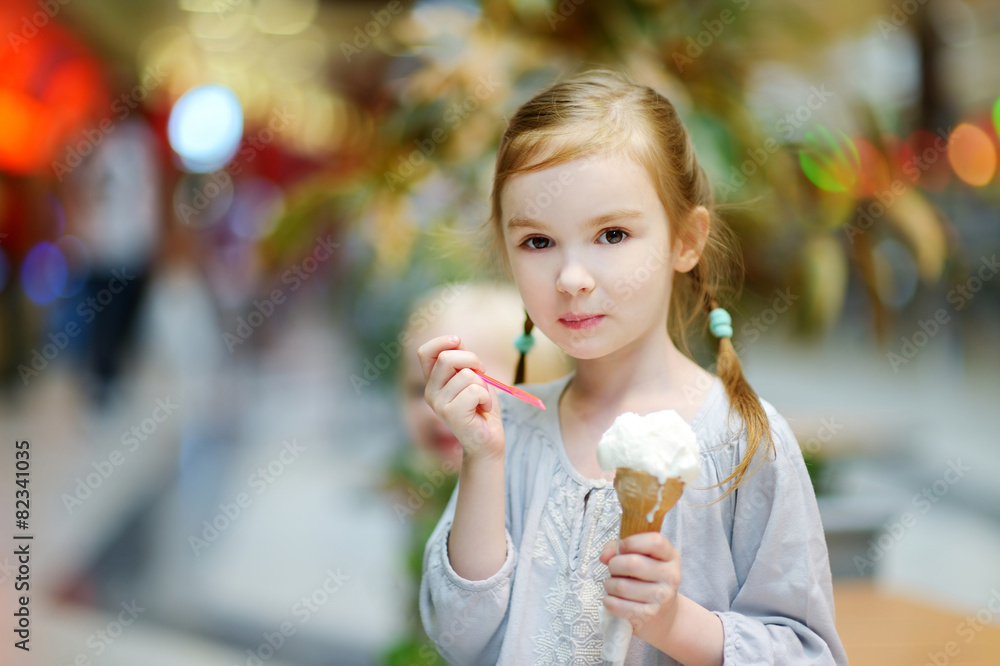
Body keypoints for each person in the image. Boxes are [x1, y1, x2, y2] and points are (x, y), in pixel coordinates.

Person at [416, 70, 848, 665]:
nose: (572, 278)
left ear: (686, 240)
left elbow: (808, 654)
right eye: (537, 242)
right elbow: (457, 634)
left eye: (612, 233)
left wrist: (673, 622)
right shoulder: (510, 432)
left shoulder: (743, 441)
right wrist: (483, 457)